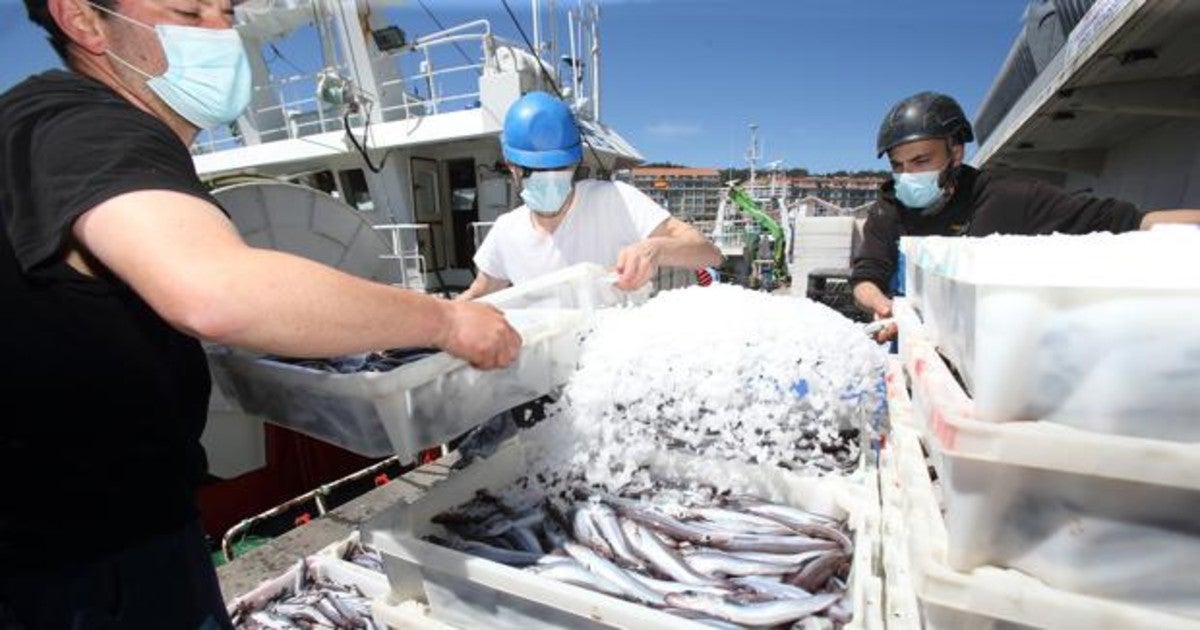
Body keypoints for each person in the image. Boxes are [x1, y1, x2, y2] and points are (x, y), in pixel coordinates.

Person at [0, 1, 521, 628]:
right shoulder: (86, 126)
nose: (224, 35)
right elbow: (215, 292)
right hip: (83, 563)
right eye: (189, 12)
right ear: (83, 20)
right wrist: (446, 322)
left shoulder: (42, 123)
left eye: (224, 10)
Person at [851, 91, 1200, 342]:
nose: (908, 174)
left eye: (921, 161)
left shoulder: (1012, 198)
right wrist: (883, 307)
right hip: (912, 355)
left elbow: (1127, 221)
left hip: (987, 358)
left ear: (955, 153)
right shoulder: (888, 209)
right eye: (899, 165)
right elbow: (867, 277)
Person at [456, 91, 723, 300]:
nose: (549, 180)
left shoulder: (615, 200)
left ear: (574, 163)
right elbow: (481, 291)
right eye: (534, 171)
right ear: (511, 167)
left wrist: (655, 249)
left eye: (559, 169)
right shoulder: (506, 231)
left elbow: (709, 255)